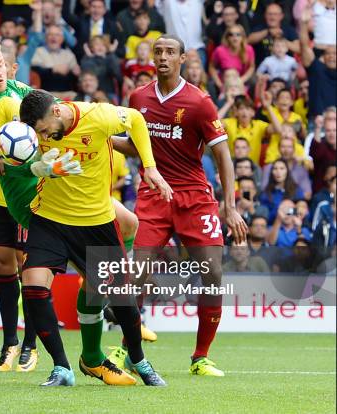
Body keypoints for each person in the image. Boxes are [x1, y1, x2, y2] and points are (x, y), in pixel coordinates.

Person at [110, 34, 248, 377]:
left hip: (194, 197)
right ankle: (128, 350)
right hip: (153, 195)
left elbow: (223, 155)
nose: (163, 57)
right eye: (158, 51)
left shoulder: (199, 102)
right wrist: (101, 137)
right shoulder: (137, 97)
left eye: (170, 52)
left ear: (182, 58)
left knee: (213, 273)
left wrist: (229, 206)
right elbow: (135, 146)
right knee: (137, 274)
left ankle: (200, 357)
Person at [17, 89, 170, 386]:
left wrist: (148, 166)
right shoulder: (33, 130)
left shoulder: (98, 116)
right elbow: (24, 163)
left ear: (57, 111)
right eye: (39, 133)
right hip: (50, 218)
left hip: (95, 222)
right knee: (34, 287)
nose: (44, 135)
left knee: (122, 299)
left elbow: (136, 119)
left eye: (45, 130)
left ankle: (138, 359)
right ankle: (62, 368)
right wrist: (43, 168)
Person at [0, 36, 77, 372]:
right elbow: (0, 161)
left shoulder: (17, 87)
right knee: (3, 264)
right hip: (5, 195)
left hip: (38, 196)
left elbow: (52, 106)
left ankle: (30, 343)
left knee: (32, 267)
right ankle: (9, 341)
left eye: (0, 63)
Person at [221, 95, 269, 165]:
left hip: (252, 169)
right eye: (241, 109)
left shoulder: (259, 125)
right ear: (236, 112)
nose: (244, 112)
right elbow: (214, 123)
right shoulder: (230, 123)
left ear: (253, 113)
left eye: (247, 109)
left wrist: (268, 107)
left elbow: (278, 129)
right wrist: (228, 103)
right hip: (232, 166)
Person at [261, 135, 312, 200]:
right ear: (278, 148)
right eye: (283, 146)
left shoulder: (301, 169)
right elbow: (263, 190)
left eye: (289, 147)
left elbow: (308, 194)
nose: (286, 150)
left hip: (294, 204)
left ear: (294, 149)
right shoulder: (269, 167)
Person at [209, 24, 255, 90]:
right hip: (224, 81)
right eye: (231, 34)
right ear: (227, 37)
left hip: (242, 79)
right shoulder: (220, 50)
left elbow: (251, 67)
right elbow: (211, 67)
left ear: (242, 37)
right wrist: (219, 84)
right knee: (210, 85)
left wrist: (242, 80)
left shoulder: (248, 49)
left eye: (238, 34)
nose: (234, 37)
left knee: (253, 82)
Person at [259, 159, 305, 223]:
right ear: (271, 172)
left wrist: (288, 211)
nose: (278, 172)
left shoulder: (296, 190)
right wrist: (280, 212)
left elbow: (303, 212)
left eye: (282, 168)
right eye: (275, 168)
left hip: (293, 227)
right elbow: (264, 216)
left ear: (287, 171)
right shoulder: (266, 193)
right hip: (271, 227)